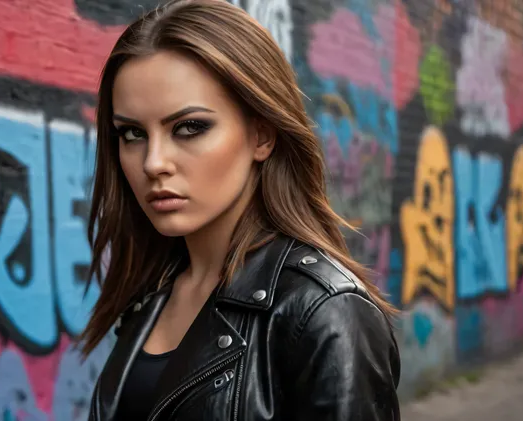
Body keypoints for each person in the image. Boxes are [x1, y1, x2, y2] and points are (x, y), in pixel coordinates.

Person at [80, 0, 401, 419]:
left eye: (189, 127)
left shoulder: (324, 314)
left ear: (261, 135)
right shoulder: (151, 292)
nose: (153, 162)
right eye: (133, 133)